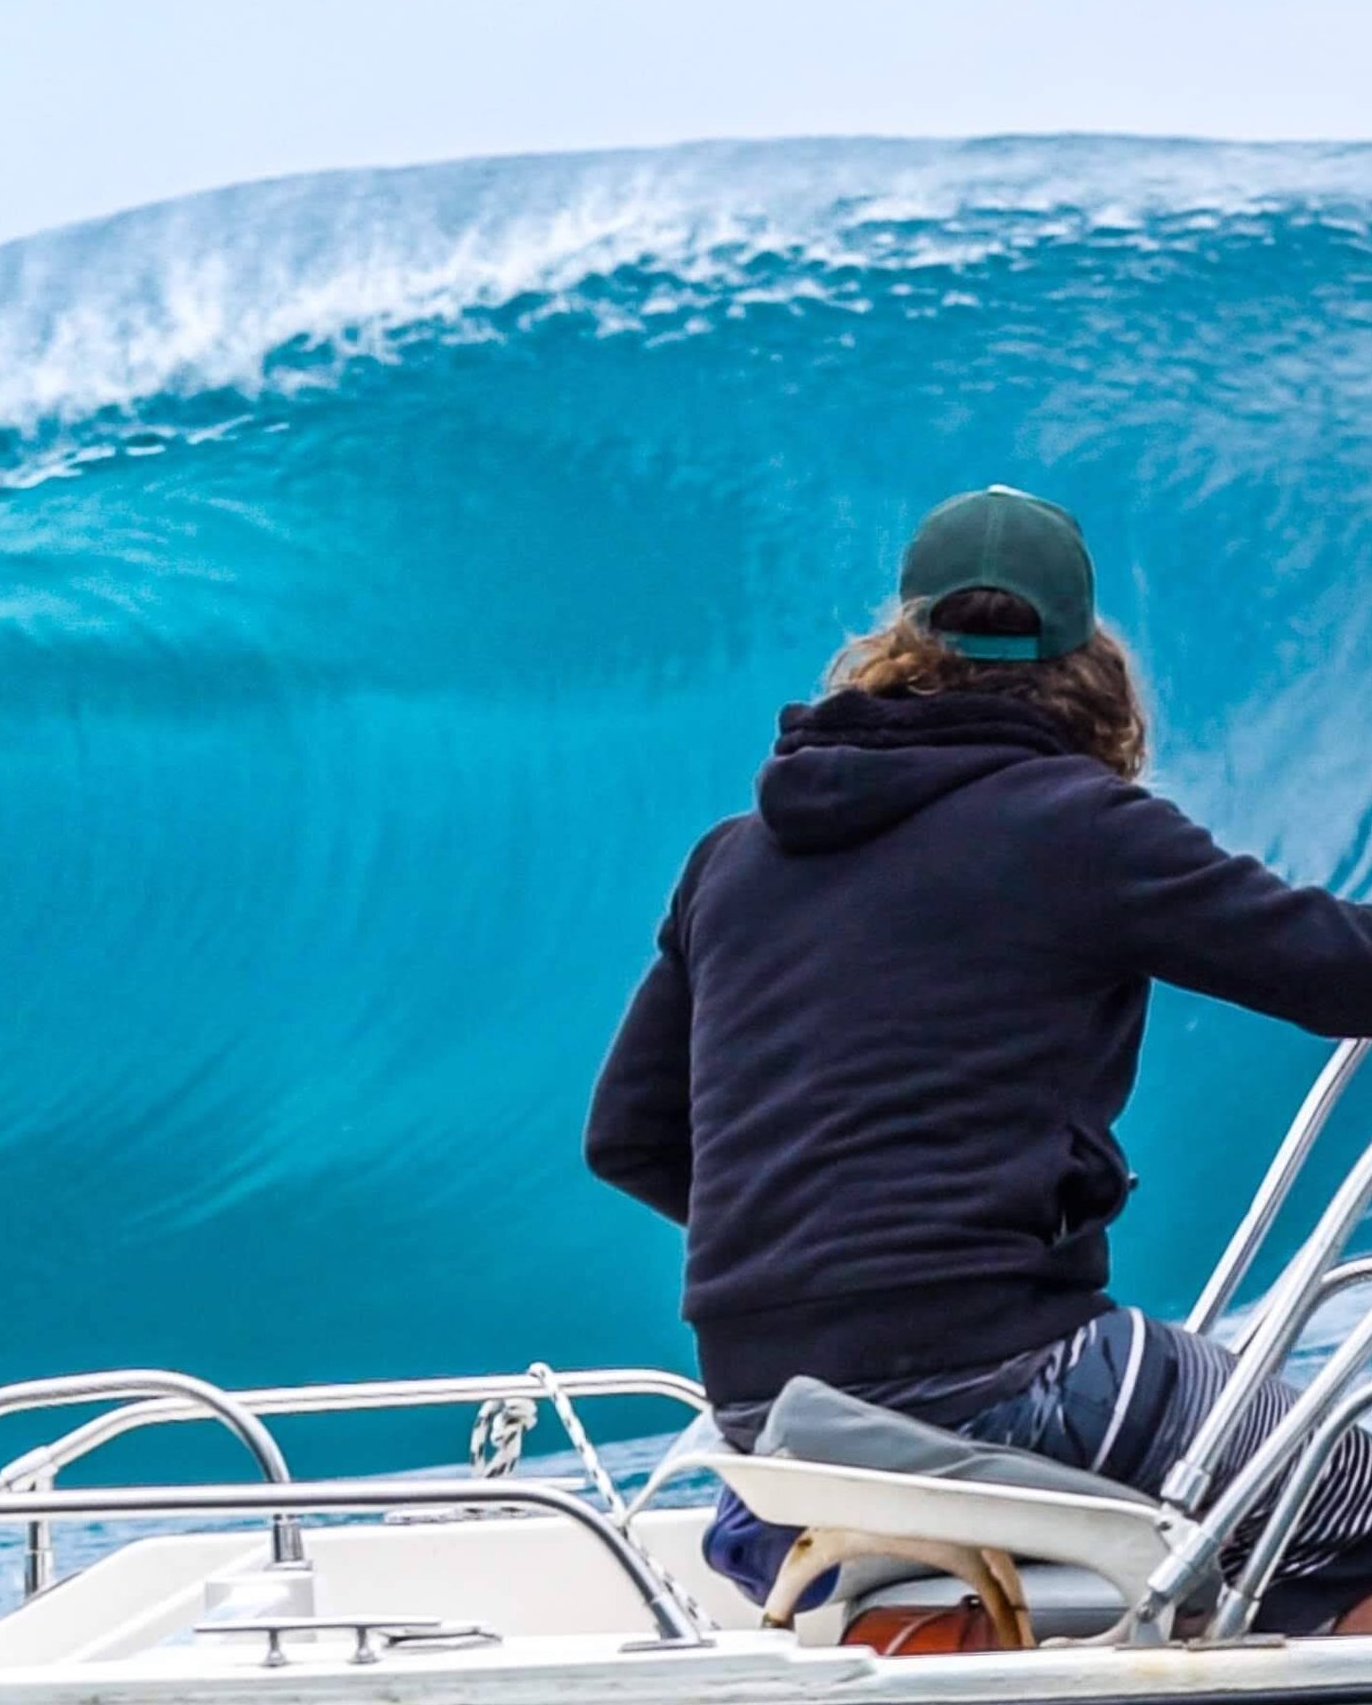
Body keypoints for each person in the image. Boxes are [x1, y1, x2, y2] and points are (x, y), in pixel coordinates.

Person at [585, 485, 1372, 1635]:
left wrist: (826, 1249)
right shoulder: (1075, 824)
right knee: (1335, 1491)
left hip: (765, 1405)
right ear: (1086, 657)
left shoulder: (734, 858)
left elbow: (628, 1140)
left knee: (1225, 1508)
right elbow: (1336, 971)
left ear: (902, 642)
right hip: (1007, 1372)